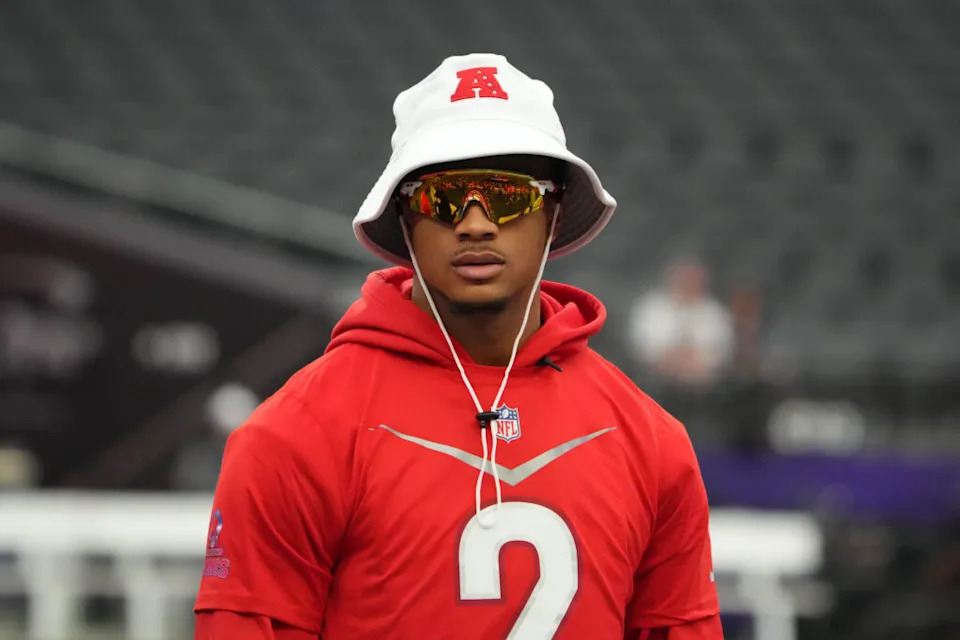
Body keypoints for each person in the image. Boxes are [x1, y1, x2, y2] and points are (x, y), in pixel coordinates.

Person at [194, 54, 721, 639]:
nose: (475, 224)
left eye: (506, 196)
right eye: (442, 198)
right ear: (402, 214)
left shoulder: (650, 443)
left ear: (554, 212)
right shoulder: (296, 435)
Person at [628, 259, 733, 389]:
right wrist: (667, 357)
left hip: (702, 388)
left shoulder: (715, 312)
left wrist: (696, 360)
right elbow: (641, 345)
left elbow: (721, 351)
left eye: (692, 279)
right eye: (684, 278)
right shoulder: (652, 306)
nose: (688, 283)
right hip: (654, 382)